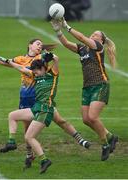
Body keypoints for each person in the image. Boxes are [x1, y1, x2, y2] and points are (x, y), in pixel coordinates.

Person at [0, 39, 90, 168]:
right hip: (26, 98)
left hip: (41, 99)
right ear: (29, 45)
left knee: (59, 121)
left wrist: (50, 57)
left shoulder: (41, 57)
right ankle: (29, 154)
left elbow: (53, 60)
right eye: (38, 44)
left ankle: (79, 140)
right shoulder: (21, 59)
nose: (40, 46)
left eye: (41, 45)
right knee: (27, 129)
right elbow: (4, 61)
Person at [50, 18, 118, 161]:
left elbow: (81, 37)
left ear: (101, 40)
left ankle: (105, 144)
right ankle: (111, 137)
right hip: (87, 87)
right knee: (86, 119)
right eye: (92, 34)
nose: (93, 35)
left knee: (93, 117)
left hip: (100, 84)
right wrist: (58, 31)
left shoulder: (97, 46)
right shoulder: (82, 48)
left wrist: (67, 26)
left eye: (96, 35)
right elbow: (67, 43)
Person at [4, 56, 59, 173]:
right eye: (34, 72)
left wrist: (53, 57)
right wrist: (9, 62)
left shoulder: (52, 75)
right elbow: (22, 69)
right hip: (37, 108)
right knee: (12, 115)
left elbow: (57, 60)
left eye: (37, 71)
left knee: (29, 137)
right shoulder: (35, 75)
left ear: (43, 68)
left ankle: (44, 160)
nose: (35, 74)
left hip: (46, 109)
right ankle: (11, 142)